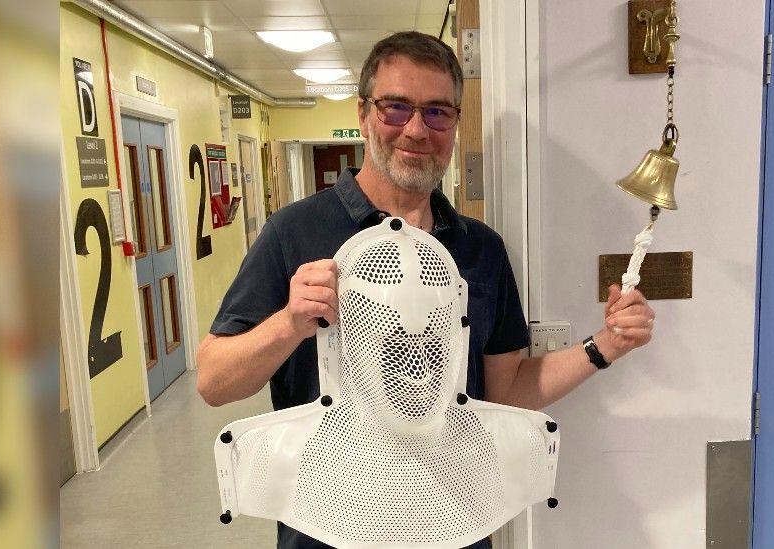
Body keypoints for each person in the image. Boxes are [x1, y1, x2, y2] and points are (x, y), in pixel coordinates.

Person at [196, 31, 656, 549]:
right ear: (365, 113)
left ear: (456, 123)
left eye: (438, 112)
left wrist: (605, 346)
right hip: (326, 532)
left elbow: (506, 392)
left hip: (452, 527)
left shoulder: (480, 248)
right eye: (396, 108)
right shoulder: (293, 232)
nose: (416, 129)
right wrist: (288, 324)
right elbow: (214, 382)